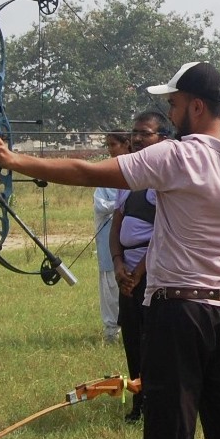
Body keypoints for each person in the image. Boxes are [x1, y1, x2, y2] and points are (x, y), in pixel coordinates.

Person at [0, 61, 220, 439]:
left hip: (177, 313)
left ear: (195, 107)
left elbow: (86, 172)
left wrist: (15, 161)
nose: (170, 116)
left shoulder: (176, 156)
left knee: (170, 435)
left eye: (174, 105)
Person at [110, 111, 170, 423]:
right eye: (135, 132)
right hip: (128, 274)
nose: (137, 139)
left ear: (162, 139)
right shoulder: (129, 177)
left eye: (144, 133)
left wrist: (139, 273)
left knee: (155, 343)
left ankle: (157, 402)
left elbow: (163, 231)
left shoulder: (162, 179)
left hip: (153, 275)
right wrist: (119, 264)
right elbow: (116, 222)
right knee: (132, 340)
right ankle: (139, 401)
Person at [94, 131, 131, 343]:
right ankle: (111, 332)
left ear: (126, 145)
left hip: (133, 244)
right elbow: (100, 205)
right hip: (109, 240)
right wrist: (122, 205)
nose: (110, 149)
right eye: (107, 145)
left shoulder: (139, 169)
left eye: (113, 144)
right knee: (110, 287)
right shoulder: (107, 174)